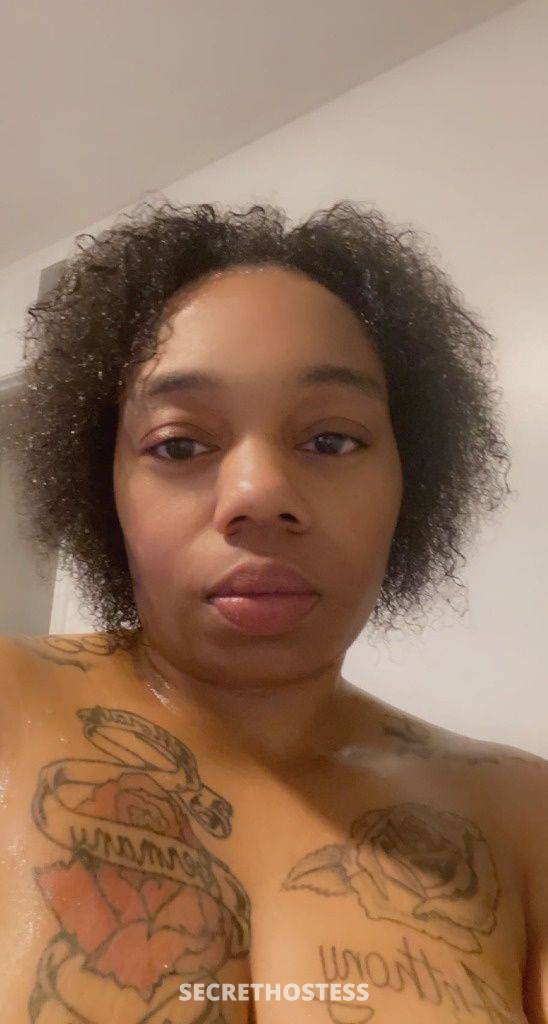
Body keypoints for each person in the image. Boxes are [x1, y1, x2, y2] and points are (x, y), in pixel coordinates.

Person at [0, 198, 545, 1024]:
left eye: (331, 440)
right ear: (103, 489)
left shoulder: (525, 815)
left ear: (413, 481)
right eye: (179, 444)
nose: (258, 495)